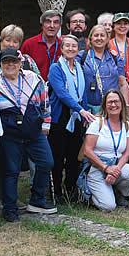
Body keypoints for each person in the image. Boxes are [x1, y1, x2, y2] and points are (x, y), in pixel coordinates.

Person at [0, 48, 56, 222]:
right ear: (0, 65)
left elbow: (44, 102)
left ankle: (37, 199)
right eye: (6, 62)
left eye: (14, 61)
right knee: (11, 170)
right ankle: (9, 208)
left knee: (46, 162)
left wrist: (46, 123)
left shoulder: (34, 79)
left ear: (20, 63)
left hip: (34, 131)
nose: (10, 65)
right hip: (9, 134)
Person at [48, 34, 95, 204]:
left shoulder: (79, 68)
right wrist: (81, 110)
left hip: (76, 119)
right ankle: (57, 193)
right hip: (60, 118)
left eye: (74, 46)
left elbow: (83, 94)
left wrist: (85, 112)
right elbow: (62, 93)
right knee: (58, 157)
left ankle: (71, 190)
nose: (70, 49)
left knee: (74, 157)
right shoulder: (56, 68)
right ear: (62, 49)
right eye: (67, 46)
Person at [80, 89, 129, 210]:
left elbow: (126, 153)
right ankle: (89, 191)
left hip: (116, 165)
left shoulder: (127, 125)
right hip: (98, 167)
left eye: (116, 102)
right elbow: (87, 151)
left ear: (122, 104)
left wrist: (116, 170)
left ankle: (121, 195)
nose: (113, 105)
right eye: (110, 102)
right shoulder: (97, 123)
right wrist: (106, 168)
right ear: (105, 105)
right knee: (108, 207)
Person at [81, 24, 129, 114]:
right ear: (90, 39)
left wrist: (125, 106)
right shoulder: (82, 57)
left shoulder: (115, 58)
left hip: (113, 107)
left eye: (102, 35)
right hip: (89, 109)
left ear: (107, 39)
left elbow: (122, 84)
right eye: (96, 35)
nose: (99, 38)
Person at [21, 10, 62, 80]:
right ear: (42, 24)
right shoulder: (29, 44)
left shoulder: (64, 46)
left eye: (56, 22)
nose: (52, 26)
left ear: (60, 26)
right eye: (48, 22)